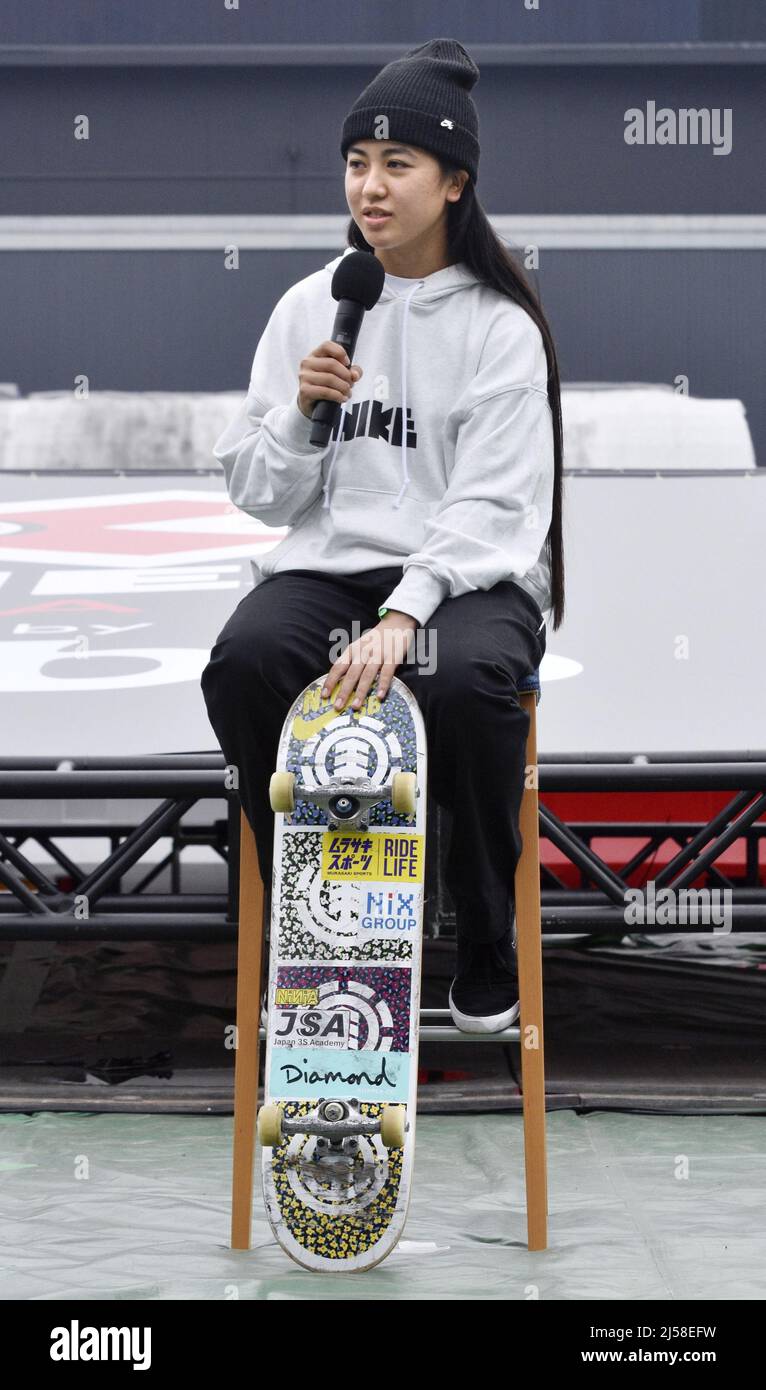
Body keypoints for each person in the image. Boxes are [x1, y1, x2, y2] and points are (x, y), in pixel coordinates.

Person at [201, 37, 565, 1034]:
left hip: (469, 575)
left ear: (453, 183)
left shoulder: (498, 325)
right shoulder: (312, 306)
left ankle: (482, 933)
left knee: (466, 683)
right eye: (357, 162)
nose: (370, 184)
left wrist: (407, 612)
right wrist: (294, 418)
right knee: (246, 659)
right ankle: (311, 916)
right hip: (333, 560)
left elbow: (492, 507)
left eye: (397, 164)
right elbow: (262, 499)